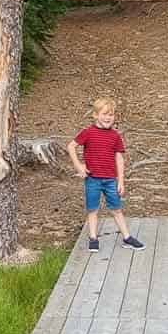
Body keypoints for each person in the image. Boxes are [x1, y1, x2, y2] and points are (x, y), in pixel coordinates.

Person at [71, 95, 145, 252]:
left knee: (116, 208)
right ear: (96, 115)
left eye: (111, 114)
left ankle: (126, 237)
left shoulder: (115, 136)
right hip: (93, 179)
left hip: (110, 179)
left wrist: (121, 181)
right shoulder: (88, 132)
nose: (108, 118)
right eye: (104, 114)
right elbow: (71, 146)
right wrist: (79, 166)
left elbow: (119, 158)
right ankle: (93, 238)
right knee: (93, 209)